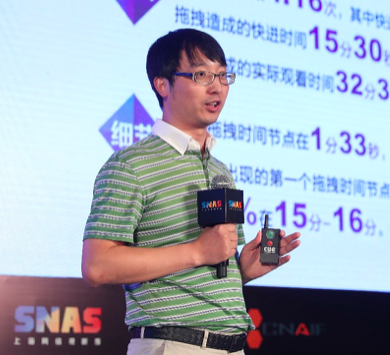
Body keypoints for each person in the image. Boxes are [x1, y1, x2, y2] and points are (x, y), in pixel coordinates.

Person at [81, 28, 301, 355]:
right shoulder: (130, 164)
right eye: (201, 75)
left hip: (232, 347)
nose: (217, 87)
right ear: (163, 85)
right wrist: (197, 251)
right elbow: (97, 266)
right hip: (173, 344)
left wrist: (242, 270)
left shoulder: (220, 170)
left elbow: (206, 268)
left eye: (223, 76)